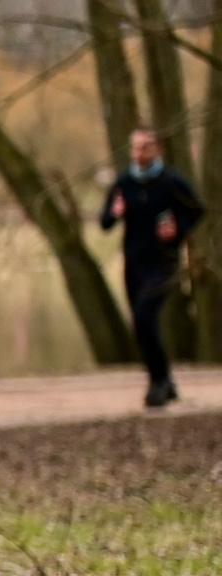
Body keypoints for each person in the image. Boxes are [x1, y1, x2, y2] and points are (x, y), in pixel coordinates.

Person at [100, 127, 204, 409]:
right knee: (140, 325)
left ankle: (159, 383)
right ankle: (164, 380)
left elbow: (196, 210)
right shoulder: (124, 183)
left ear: (157, 149)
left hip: (163, 262)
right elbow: (105, 223)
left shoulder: (171, 181)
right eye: (135, 147)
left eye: (145, 147)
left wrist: (177, 229)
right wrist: (115, 213)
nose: (139, 153)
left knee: (145, 317)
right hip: (134, 263)